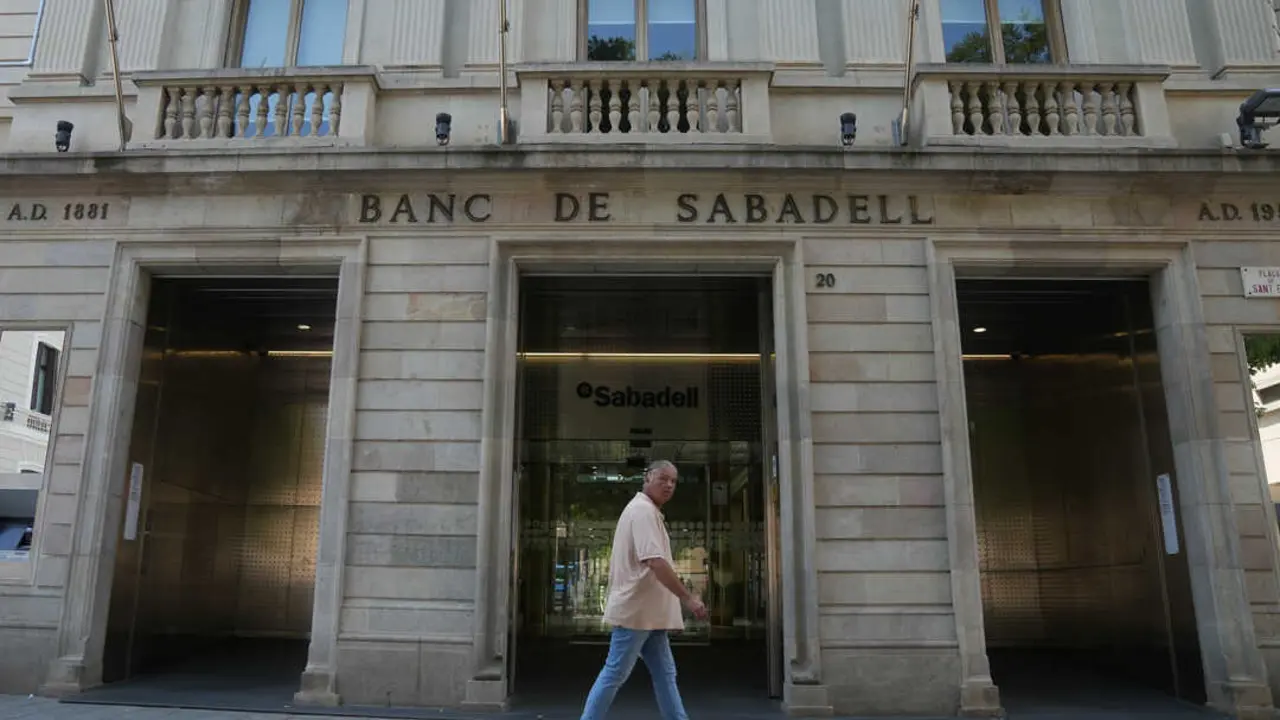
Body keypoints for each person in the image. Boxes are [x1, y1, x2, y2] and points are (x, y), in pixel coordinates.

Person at [579, 459, 709, 720]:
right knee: (615, 672)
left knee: (665, 674)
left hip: (648, 616)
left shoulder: (647, 511)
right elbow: (655, 562)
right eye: (663, 478)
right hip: (637, 614)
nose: (669, 485)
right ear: (647, 477)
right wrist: (688, 599)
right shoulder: (642, 512)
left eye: (674, 481)